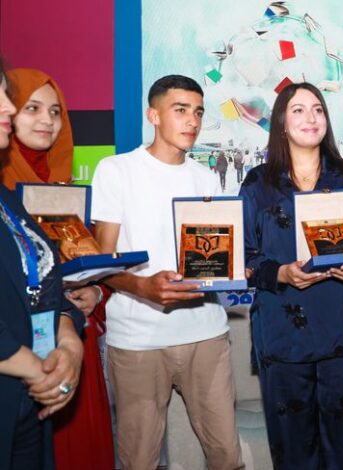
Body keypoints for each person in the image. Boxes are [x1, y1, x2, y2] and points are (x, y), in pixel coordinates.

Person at [90, 75, 243, 470]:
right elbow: (101, 260)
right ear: (153, 115)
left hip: (207, 335)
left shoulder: (206, 178)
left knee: (227, 457)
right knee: (139, 459)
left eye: (198, 112)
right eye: (181, 110)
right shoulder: (116, 170)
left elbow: (216, 255)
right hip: (138, 340)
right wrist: (141, 286)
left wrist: (236, 267)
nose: (192, 120)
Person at [240, 82, 343, 469]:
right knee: (294, 455)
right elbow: (244, 258)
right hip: (283, 338)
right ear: (281, 123)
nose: (311, 117)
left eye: (318, 109)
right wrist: (281, 273)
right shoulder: (258, 184)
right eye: (298, 110)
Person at [3, 67, 114, 470]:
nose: (47, 121)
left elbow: (92, 263)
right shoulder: (8, 185)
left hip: (67, 347)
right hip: (19, 363)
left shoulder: (64, 187)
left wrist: (92, 297)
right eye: (32, 108)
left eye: (55, 111)